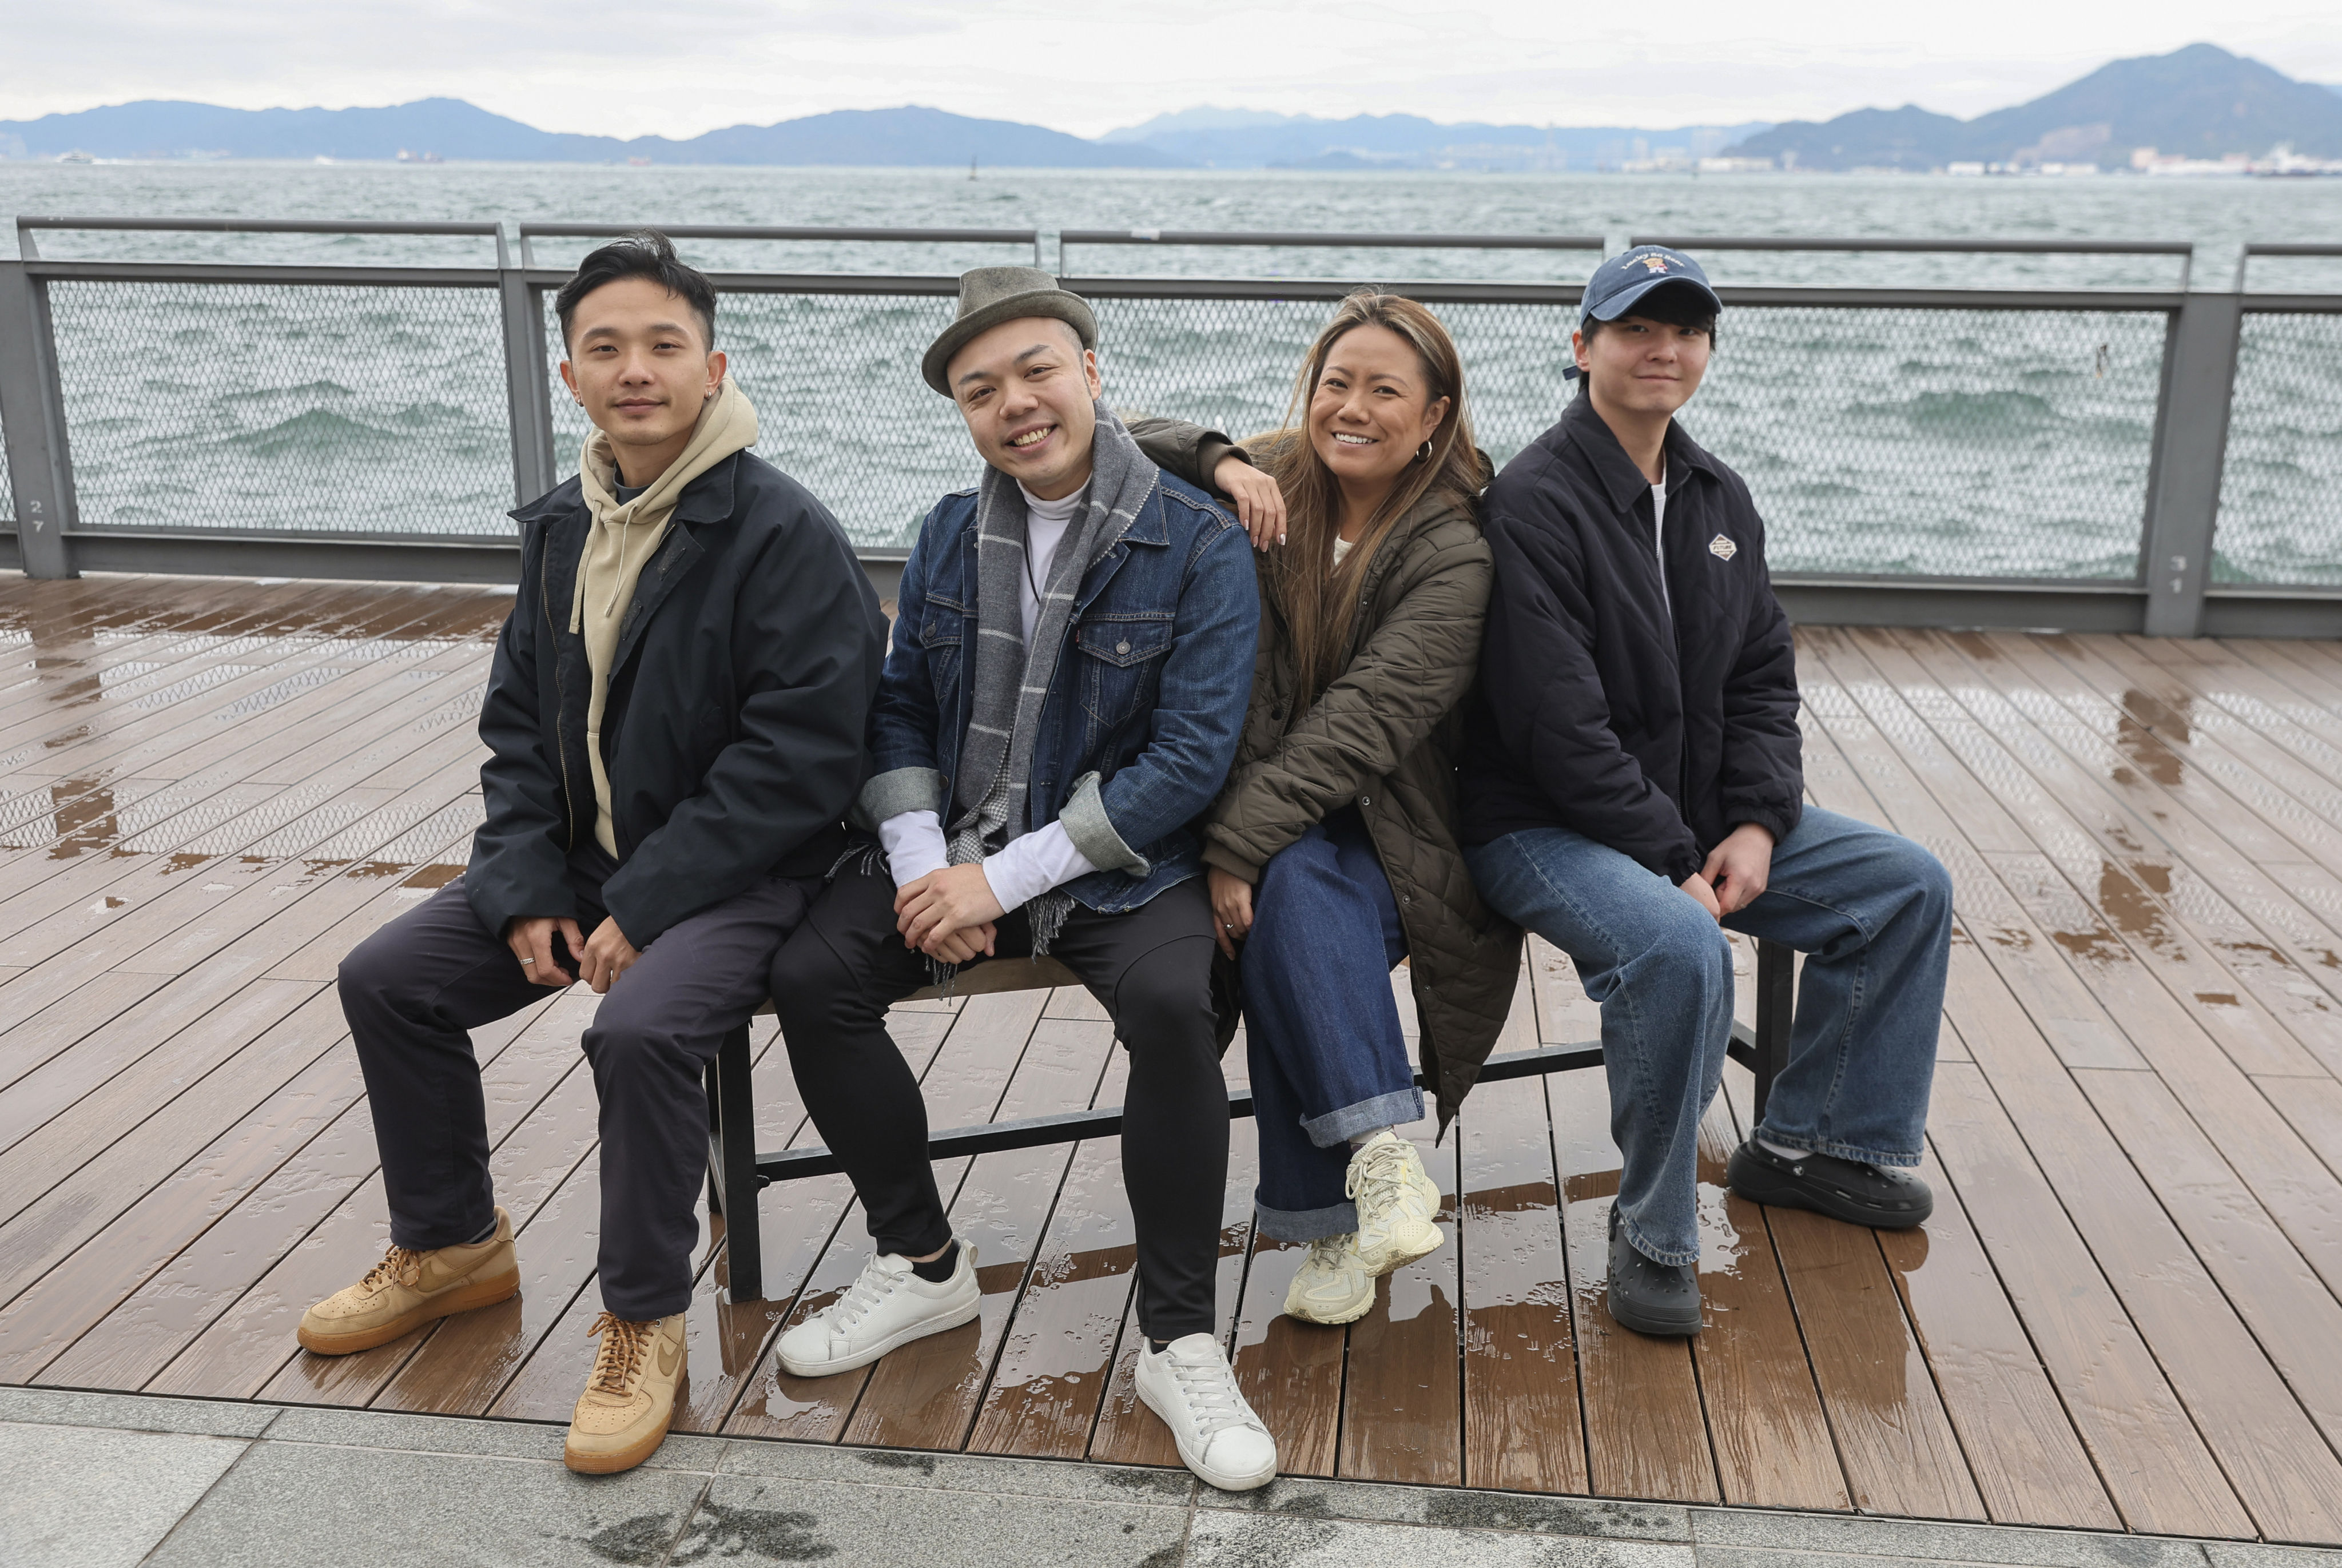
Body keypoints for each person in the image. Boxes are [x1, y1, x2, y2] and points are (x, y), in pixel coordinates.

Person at [297, 230, 887, 1473]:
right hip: (586, 865)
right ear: (569, 375)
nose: (636, 370)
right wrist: (519, 886)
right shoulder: (566, 523)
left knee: (637, 1029)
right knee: (389, 978)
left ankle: (640, 1321)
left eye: (664, 346)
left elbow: (802, 762)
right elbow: (518, 729)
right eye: (605, 348)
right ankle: (454, 1244)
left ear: (713, 367)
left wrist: (650, 900)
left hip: (754, 869)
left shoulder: (782, 532)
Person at [765, 268, 1275, 1491]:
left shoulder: (1197, 541)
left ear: (1092, 374)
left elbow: (1188, 761)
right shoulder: (950, 528)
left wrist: (998, 882)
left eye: (1037, 370)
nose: (1015, 404)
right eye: (979, 388)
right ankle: (924, 1263)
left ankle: (1177, 1338)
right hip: (955, 847)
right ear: (961, 410)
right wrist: (925, 864)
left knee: (1174, 1003)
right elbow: (895, 713)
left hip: (1107, 860)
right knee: (811, 974)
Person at [1459, 245, 1951, 1338]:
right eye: (1637, 328)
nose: (1663, 349)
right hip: (1542, 825)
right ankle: (1653, 1231)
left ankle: (1816, 1146)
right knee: (1679, 947)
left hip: (1697, 818)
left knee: (1906, 886)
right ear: (1582, 345)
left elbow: (1762, 675)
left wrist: (1758, 824)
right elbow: (1556, 726)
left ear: (1707, 352)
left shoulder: (1719, 494)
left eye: (1686, 331)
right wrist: (1673, 861)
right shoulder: (1533, 501)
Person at [1124, 290, 1520, 1328]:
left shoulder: (1453, 547)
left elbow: (1364, 721)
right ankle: (1378, 1169)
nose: (1353, 407)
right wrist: (1218, 461)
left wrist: (1233, 848)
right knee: (1289, 893)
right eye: (1336, 383)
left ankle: (1339, 1202)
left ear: (1435, 415)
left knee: (1278, 894)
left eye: (1385, 390)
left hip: (1403, 830)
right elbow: (1108, 433)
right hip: (1286, 827)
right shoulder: (1273, 481)